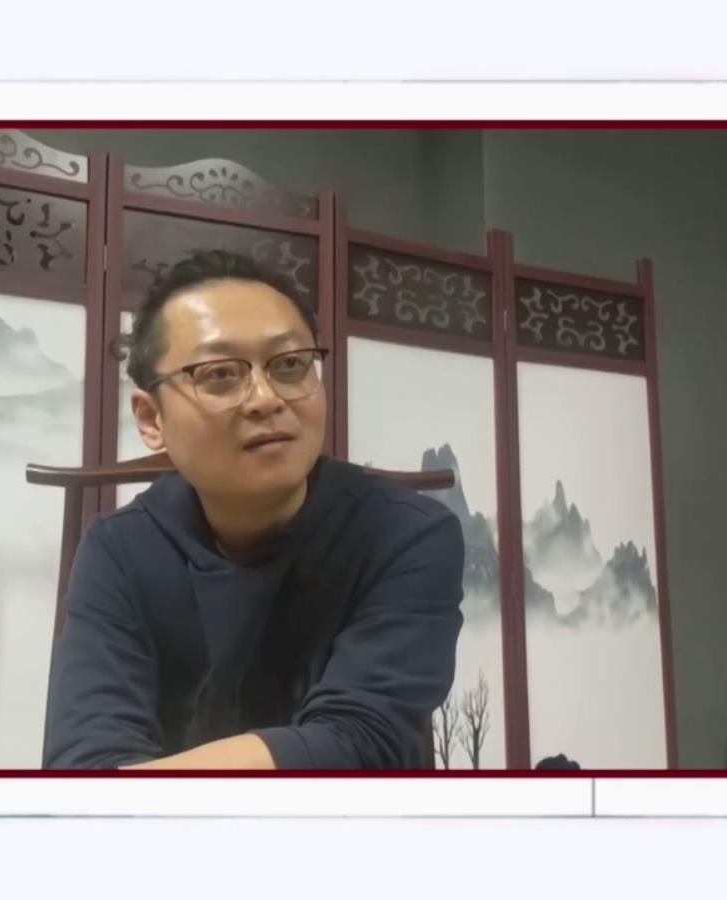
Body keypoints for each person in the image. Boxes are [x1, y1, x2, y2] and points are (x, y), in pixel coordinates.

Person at [42, 249, 465, 770]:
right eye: (220, 373)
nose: (266, 398)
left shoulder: (405, 534)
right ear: (151, 419)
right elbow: (84, 761)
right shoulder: (119, 550)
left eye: (289, 365)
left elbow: (361, 743)